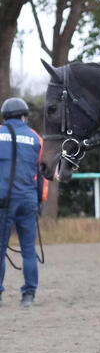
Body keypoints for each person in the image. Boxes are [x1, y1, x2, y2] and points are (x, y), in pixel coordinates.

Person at [0, 97, 45, 307]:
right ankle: (28, 295)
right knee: (28, 249)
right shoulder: (36, 138)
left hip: (3, 200)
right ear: (23, 116)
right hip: (28, 199)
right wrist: (40, 201)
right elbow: (41, 173)